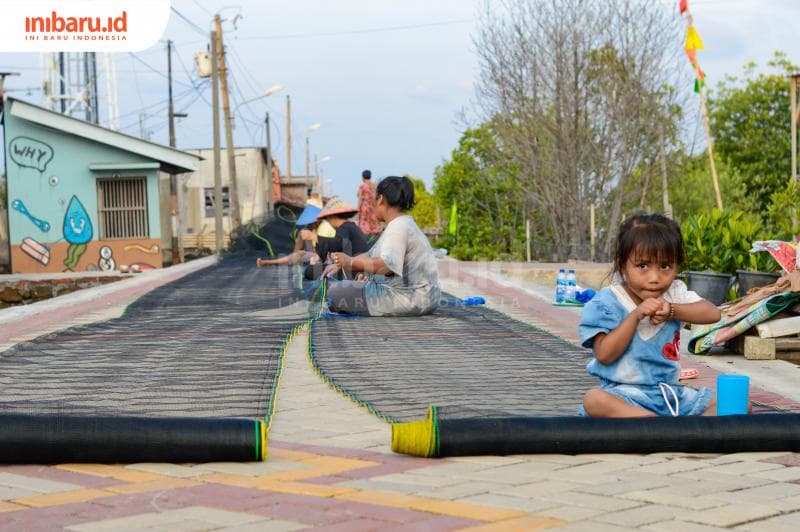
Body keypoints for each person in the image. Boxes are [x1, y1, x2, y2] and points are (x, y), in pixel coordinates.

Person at [579, 213, 728, 417]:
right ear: (622, 265)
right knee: (594, 400)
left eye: (665, 266)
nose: (655, 278)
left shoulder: (674, 293)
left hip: (671, 395)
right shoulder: (606, 303)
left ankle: (661, 429)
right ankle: (658, 425)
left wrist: (673, 311)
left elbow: (713, 314)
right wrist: (634, 316)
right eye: (642, 266)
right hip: (624, 396)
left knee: (736, 404)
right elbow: (604, 355)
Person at [321, 175, 440, 316]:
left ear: (381, 199)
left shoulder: (398, 228)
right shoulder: (403, 223)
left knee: (335, 292)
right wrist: (342, 263)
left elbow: (387, 266)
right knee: (347, 286)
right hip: (426, 297)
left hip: (408, 298)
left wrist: (350, 262)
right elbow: (370, 255)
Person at [299, 196, 370, 279]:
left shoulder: (345, 228)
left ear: (333, 217)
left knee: (310, 271)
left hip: (355, 268)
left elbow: (337, 244)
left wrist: (313, 236)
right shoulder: (351, 226)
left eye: (328, 220)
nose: (329, 223)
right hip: (357, 266)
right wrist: (320, 257)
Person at [357, 169, 382, 236]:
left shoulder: (362, 187)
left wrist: (358, 210)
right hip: (374, 208)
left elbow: (360, 199)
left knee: (365, 229)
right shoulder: (374, 186)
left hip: (364, 209)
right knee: (374, 226)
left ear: (363, 177)